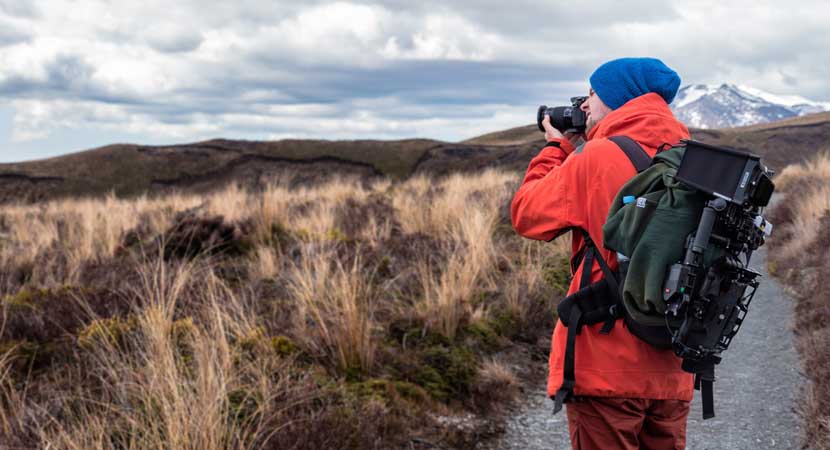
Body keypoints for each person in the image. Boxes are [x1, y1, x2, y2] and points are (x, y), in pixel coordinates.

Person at [511, 57, 694, 450]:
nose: (585, 106)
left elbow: (527, 215)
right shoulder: (692, 158)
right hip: (673, 365)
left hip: (607, 362)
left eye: (592, 93)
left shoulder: (594, 158)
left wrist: (557, 150)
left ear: (615, 97)